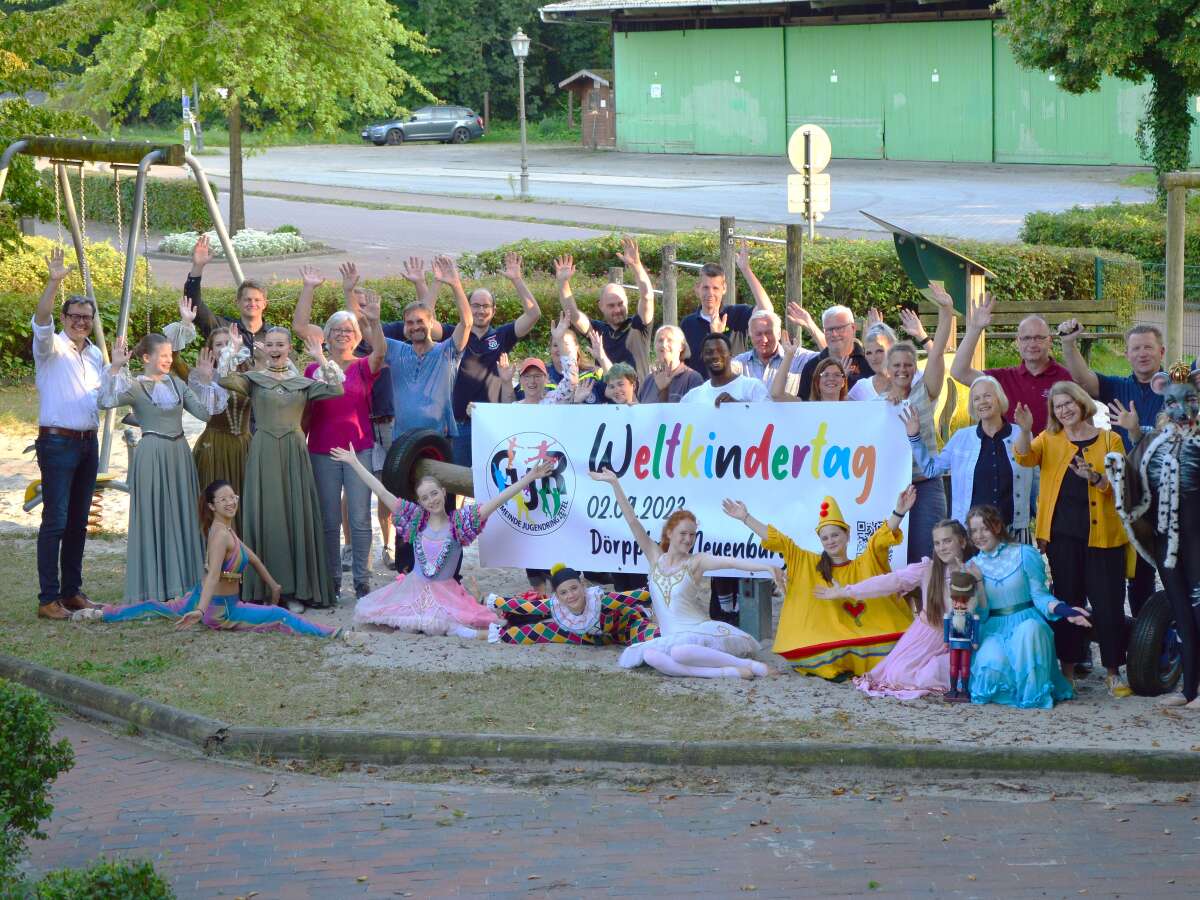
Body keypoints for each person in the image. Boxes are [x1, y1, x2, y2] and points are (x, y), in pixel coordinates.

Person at [590, 469, 785, 679]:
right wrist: (615, 484)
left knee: (680, 651)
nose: (688, 539)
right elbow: (633, 522)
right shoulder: (655, 557)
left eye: (692, 535)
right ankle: (725, 672)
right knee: (651, 655)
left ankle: (750, 666)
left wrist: (766, 567)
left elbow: (730, 562)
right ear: (669, 533)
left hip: (700, 634)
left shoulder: (696, 562)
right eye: (683, 533)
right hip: (670, 637)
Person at [337, 447, 554, 636]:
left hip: (446, 593)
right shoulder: (416, 520)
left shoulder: (460, 523)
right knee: (399, 622)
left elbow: (497, 501)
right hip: (414, 588)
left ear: (443, 492)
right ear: (420, 502)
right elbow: (382, 492)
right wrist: (355, 462)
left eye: (434, 494)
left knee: (443, 623)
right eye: (425, 498)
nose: (432, 500)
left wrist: (529, 478)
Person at [92, 481, 340, 638]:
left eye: (233, 497)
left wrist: (273, 585)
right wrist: (201, 611)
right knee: (280, 617)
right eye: (223, 499)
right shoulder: (220, 535)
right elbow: (212, 577)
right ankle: (334, 633)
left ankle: (102, 613)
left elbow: (252, 557)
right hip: (221, 610)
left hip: (201, 597)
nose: (231, 502)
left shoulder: (226, 529)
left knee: (157, 607)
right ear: (212, 506)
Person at [1012, 383, 1131, 695]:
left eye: (1068, 404)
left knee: (1108, 604)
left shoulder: (1110, 439)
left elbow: (1123, 485)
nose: (1064, 410)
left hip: (1104, 538)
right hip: (1063, 538)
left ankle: (1112, 671)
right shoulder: (1049, 438)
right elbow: (1024, 457)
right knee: (1067, 601)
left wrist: (1093, 478)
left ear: (1082, 404)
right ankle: (1067, 669)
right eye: (1058, 406)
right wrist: (1025, 430)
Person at [723, 490, 917, 679]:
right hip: (822, 638)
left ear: (847, 535)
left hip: (863, 633)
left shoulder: (865, 563)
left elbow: (879, 541)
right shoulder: (807, 563)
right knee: (821, 653)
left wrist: (899, 512)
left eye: (835, 535)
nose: (830, 541)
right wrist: (746, 517)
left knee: (895, 644)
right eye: (825, 538)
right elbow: (780, 541)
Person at [221, 327, 344, 609]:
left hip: (294, 451)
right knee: (267, 515)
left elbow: (337, 388)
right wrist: (233, 348)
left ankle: (296, 591)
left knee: (295, 515)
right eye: (271, 345)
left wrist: (321, 358)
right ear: (264, 348)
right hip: (263, 450)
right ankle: (264, 590)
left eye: (281, 344)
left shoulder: (303, 382)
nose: (276, 349)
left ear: (289, 348)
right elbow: (225, 378)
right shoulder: (254, 379)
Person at [100, 330, 224, 603]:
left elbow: (205, 413)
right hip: (152, 453)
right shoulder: (133, 385)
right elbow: (104, 401)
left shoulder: (178, 385)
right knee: (154, 514)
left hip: (179, 454)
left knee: (183, 512)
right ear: (146, 357)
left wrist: (206, 381)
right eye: (164, 355)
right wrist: (116, 367)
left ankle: (185, 583)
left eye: (170, 355)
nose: (169, 360)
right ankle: (155, 587)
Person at [1105, 371, 1200, 709]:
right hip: (1166, 543)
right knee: (1181, 611)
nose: (1181, 409)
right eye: (1173, 402)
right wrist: (1117, 470)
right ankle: (1190, 689)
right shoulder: (1155, 444)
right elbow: (1137, 490)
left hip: (1197, 540)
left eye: (1189, 401)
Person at [1060, 320, 1166, 617]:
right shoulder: (1120, 387)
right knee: (1136, 569)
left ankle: (1166, 641)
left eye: (1148, 347)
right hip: (1127, 490)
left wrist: (1138, 432)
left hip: (1165, 491)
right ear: (1127, 354)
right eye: (1136, 348)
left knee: (1167, 567)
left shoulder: (1175, 389)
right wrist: (1069, 343)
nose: (1142, 353)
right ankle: (1140, 642)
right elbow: (1084, 381)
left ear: (1162, 351)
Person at [293, 268, 386, 601]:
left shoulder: (363, 367)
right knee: (329, 519)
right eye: (337, 330)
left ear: (356, 337)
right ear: (326, 336)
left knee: (360, 519)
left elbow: (381, 354)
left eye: (349, 330)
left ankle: (362, 580)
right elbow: (304, 411)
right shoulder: (311, 369)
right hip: (321, 451)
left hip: (358, 450)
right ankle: (331, 580)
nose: (343, 334)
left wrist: (373, 322)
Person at [816, 519, 974, 700]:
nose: (942, 547)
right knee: (898, 675)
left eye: (948, 541)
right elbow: (890, 581)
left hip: (956, 639)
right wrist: (847, 591)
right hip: (924, 636)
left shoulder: (974, 571)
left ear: (962, 541)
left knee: (939, 672)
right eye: (937, 543)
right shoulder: (928, 569)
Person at [414, 252, 542, 466]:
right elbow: (424, 321)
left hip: (493, 424)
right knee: (457, 485)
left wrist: (517, 280)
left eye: (485, 306)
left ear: (493, 310)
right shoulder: (454, 334)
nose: (480, 311)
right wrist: (436, 283)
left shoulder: (502, 336)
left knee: (494, 482)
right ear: (467, 306)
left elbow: (533, 314)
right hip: (459, 425)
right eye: (475, 305)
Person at [31, 248, 104, 620]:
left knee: (78, 521)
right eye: (75, 316)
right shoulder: (50, 347)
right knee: (56, 520)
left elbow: (103, 395)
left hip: (87, 443)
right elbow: (41, 318)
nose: (81, 322)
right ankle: (48, 599)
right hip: (58, 442)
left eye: (86, 318)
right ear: (64, 318)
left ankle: (71, 591)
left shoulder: (94, 355)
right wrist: (55, 280)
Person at [965, 505, 1084, 708]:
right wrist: (976, 583)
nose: (978, 536)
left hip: (1026, 621)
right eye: (973, 531)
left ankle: (1033, 695)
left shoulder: (1024, 553)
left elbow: (1039, 596)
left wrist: (1065, 611)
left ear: (997, 526)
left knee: (1029, 632)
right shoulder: (973, 566)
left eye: (983, 528)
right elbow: (982, 615)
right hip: (994, 628)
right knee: (989, 672)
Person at [877, 286, 955, 563]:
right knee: (895, 558)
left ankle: (928, 608)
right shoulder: (878, 402)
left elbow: (937, 356)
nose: (902, 370)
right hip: (891, 487)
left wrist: (945, 310)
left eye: (907, 365)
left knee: (929, 556)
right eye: (895, 365)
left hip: (926, 483)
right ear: (888, 369)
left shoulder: (926, 390)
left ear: (914, 367)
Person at [905, 376, 1034, 540]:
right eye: (976, 398)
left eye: (988, 395)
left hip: (1013, 530)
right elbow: (930, 469)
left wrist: (1037, 521)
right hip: (972, 535)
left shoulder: (1022, 434)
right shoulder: (961, 438)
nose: (982, 402)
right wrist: (915, 437)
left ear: (999, 398)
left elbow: (1033, 481)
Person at [166, 300, 253, 529]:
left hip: (245, 446)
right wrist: (186, 322)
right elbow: (173, 358)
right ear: (211, 350)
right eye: (218, 344)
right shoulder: (201, 377)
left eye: (228, 343)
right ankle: (212, 555)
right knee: (216, 503)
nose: (224, 348)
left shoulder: (249, 375)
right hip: (215, 446)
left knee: (244, 500)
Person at [949, 293, 1072, 437]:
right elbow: (959, 372)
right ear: (1017, 341)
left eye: (1039, 337)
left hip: (1054, 455)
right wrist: (975, 328)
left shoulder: (1066, 378)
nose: (1032, 344)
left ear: (1049, 341)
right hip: (1012, 455)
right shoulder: (1002, 379)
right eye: (1026, 338)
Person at [384, 255, 473, 441]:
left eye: (420, 322)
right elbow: (367, 332)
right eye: (410, 322)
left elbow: (467, 323)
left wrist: (455, 284)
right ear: (405, 326)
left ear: (432, 323)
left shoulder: (447, 351)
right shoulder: (396, 349)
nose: (415, 326)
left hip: (439, 438)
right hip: (402, 439)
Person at [555, 237, 654, 381]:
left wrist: (636, 266)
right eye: (611, 305)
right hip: (605, 398)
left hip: (637, 399)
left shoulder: (639, 326)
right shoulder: (597, 331)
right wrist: (563, 283)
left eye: (620, 304)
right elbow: (573, 315)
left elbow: (647, 296)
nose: (617, 309)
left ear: (627, 301)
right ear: (600, 306)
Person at [486, 566, 658, 646]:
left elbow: (629, 596)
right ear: (557, 596)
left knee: (655, 636)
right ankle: (502, 634)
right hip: (589, 637)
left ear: (582, 586)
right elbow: (530, 607)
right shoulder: (557, 606)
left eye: (574, 588)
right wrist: (498, 602)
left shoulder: (598, 599)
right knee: (543, 631)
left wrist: (656, 588)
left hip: (624, 627)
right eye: (564, 592)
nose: (571, 595)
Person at [679, 252, 774, 376]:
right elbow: (682, 363)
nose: (710, 293)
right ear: (697, 288)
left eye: (715, 288)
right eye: (706, 288)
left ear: (724, 289)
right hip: (701, 392)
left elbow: (767, 310)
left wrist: (746, 270)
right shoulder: (687, 324)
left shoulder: (737, 314)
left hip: (734, 392)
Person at [184, 234, 271, 350]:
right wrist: (197, 267)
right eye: (247, 299)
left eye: (257, 300)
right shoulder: (223, 328)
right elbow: (194, 306)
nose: (252, 303)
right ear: (237, 302)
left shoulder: (275, 336)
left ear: (265, 304)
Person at [734, 306, 823, 396]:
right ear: (750, 335)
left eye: (768, 333)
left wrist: (811, 326)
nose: (764, 339)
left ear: (779, 334)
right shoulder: (740, 362)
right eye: (758, 334)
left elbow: (830, 355)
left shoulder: (798, 357)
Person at [796, 305, 875, 399]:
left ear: (853, 328)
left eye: (839, 328)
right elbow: (803, 406)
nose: (834, 334)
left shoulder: (870, 363)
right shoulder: (812, 366)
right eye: (829, 330)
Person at [680, 333, 770, 405]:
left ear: (731, 354)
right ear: (702, 357)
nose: (715, 356)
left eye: (721, 351)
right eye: (709, 352)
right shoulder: (692, 397)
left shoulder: (753, 387)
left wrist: (739, 407)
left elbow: (769, 419)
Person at [639, 325, 703, 403]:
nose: (664, 345)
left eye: (670, 340)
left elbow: (696, 412)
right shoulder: (648, 380)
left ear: (681, 347)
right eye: (660, 340)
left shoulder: (692, 378)